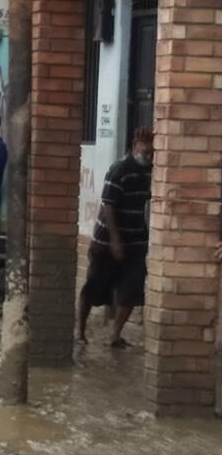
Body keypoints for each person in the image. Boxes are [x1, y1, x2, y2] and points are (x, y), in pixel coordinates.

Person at [77, 126, 153, 348]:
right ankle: (80, 332)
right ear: (135, 145)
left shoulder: (151, 170)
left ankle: (115, 335)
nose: (148, 156)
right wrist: (115, 240)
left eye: (151, 153)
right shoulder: (119, 169)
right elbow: (108, 205)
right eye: (145, 151)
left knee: (132, 290)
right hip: (107, 241)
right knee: (93, 286)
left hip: (136, 240)